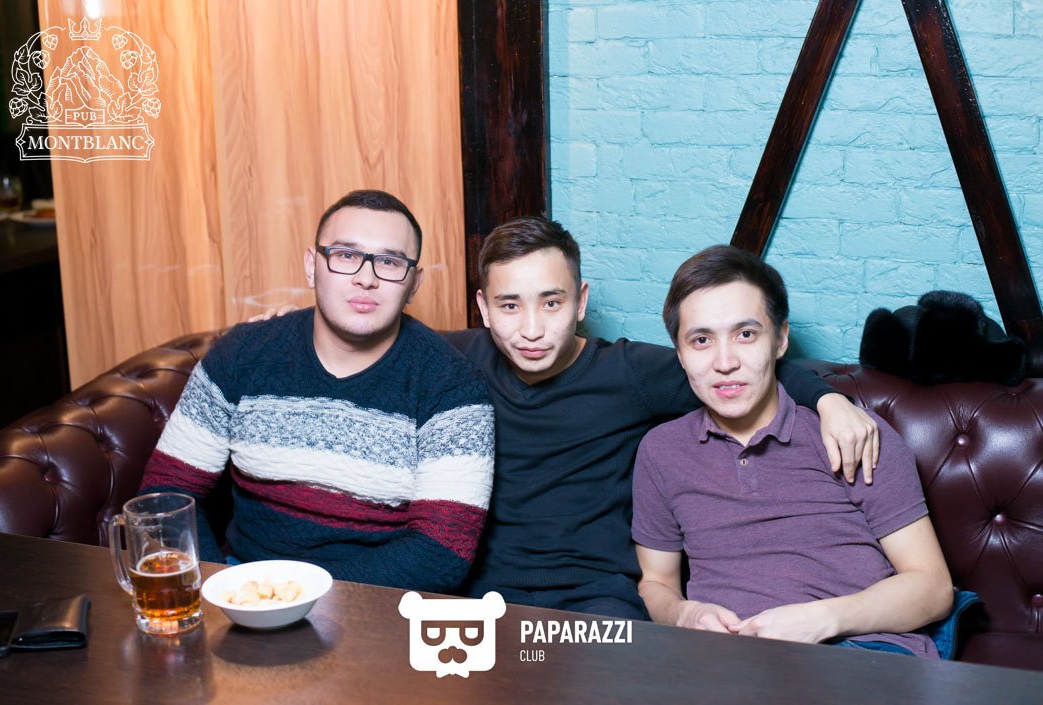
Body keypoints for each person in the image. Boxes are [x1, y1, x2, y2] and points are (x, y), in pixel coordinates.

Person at [446, 216, 880, 619]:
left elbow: (741, 370)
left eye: (551, 303)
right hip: (481, 593)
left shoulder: (629, 372)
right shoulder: (457, 361)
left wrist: (828, 400)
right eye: (509, 307)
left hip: (597, 596)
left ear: (580, 302)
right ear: (484, 308)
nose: (532, 329)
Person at [140, 189, 495, 593]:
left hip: (377, 605)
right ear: (312, 266)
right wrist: (221, 588)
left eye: (390, 262)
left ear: (413, 283)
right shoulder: (243, 354)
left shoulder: (452, 386)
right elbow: (166, 493)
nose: (366, 277)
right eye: (345, 255)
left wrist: (299, 598)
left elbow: (441, 552)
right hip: (246, 589)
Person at [633, 245, 954, 656]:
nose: (724, 362)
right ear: (679, 353)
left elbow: (933, 588)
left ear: (780, 339)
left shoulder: (850, 435)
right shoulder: (661, 451)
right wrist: (684, 614)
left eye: (745, 334)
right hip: (723, 661)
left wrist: (821, 619)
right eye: (701, 340)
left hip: (857, 651)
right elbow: (656, 582)